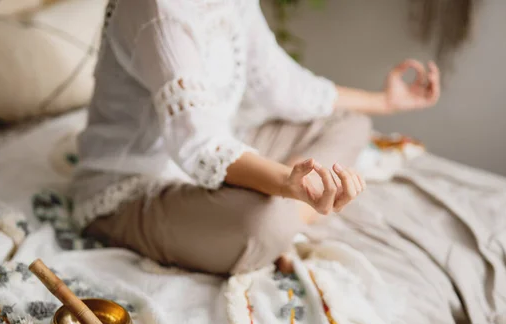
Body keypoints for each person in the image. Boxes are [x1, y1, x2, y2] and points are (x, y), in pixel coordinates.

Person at [72, 0, 440, 275]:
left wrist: (385, 102)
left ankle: (286, 211)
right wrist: (287, 184)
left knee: (351, 123)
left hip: (222, 145)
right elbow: (200, 145)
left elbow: (284, 86)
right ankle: (285, 220)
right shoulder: (157, 9)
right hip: (135, 189)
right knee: (266, 224)